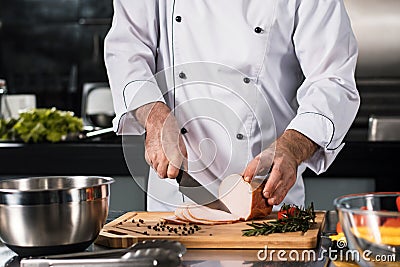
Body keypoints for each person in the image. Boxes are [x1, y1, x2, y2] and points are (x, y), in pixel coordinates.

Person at [104, 0, 360, 211]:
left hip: (269, 198)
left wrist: (293, 146)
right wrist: (153, 115)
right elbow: (127, 51)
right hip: (174, 202)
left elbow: (332, 79)